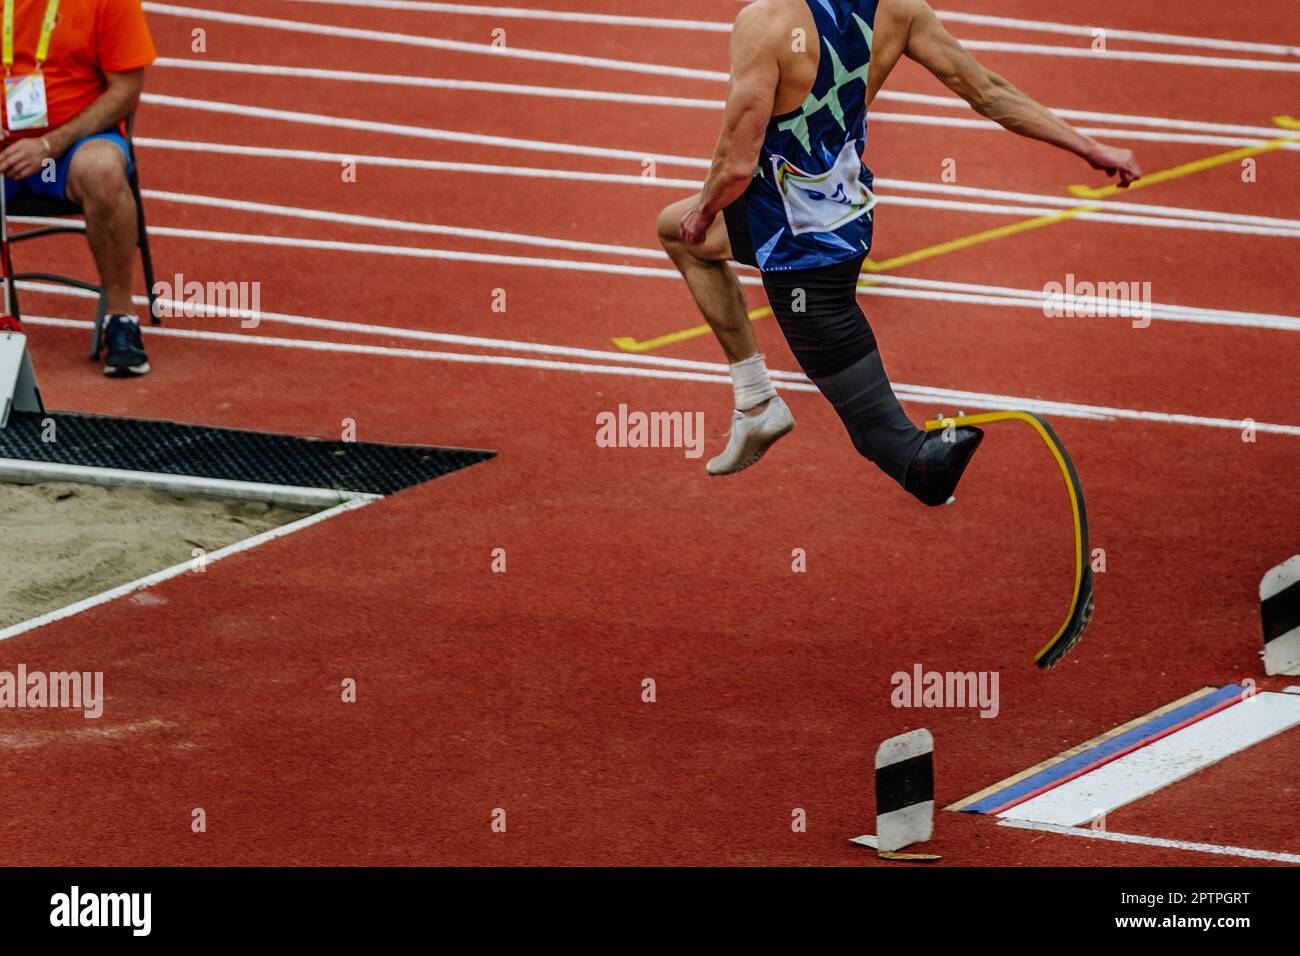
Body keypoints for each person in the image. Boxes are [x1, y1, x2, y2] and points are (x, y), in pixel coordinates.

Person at [657, 0, 1141, 503]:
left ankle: (899, 450)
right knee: (673, 230)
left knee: (889, 445)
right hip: (845, 222)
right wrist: (1090, 147)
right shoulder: (899, 9)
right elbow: (988, 91)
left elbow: (737, 165)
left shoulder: (765, 23)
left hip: (794, 248)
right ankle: (756, 401)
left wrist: (705, 210)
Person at [0, 0, 157, 376]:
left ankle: (120, 319)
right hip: (6, 149)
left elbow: (126, 90)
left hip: (72, 150)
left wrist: (49, 145)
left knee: (104, 171)